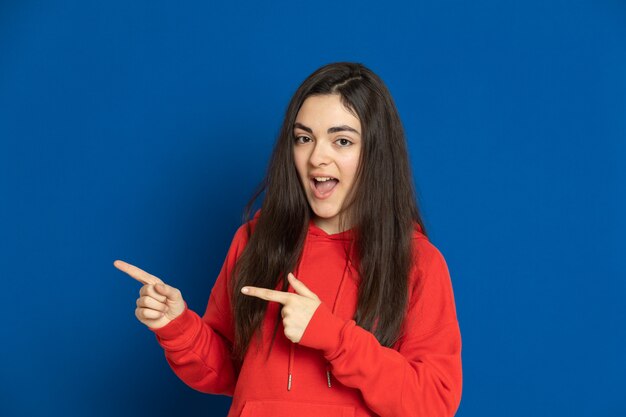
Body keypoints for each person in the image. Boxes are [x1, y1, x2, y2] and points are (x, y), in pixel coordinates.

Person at [114, 62, 462, 417]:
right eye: (304, 138)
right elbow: (228, 372)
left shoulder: (416, 260)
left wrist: (334, 337)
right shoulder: (255, 239)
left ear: (375, 152)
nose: (316, 157)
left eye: (342, 141)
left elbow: (433, 403)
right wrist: (178, 326)